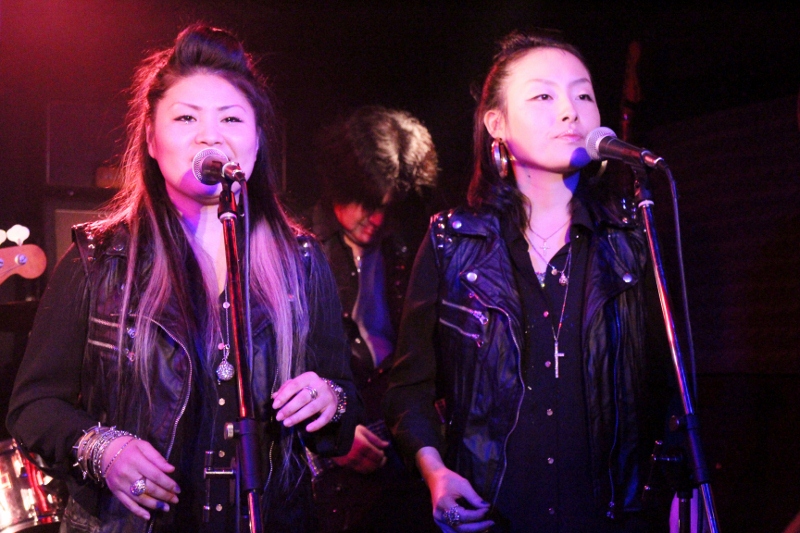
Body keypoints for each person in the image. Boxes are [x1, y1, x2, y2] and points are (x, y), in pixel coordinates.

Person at [6, 24, 358, 533]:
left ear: (257, 141)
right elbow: (33, 407)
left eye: (231, 118)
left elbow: (343, 408)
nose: (209, 135)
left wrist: (330, 400)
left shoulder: (301, 263)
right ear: (151, 138)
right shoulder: (98, 260)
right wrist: (103, 450)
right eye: (186, 117)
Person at [383, 29, 675, 532]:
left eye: (583, 95)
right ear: (496, 124)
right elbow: (409, 388)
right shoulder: (452, 241)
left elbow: (671, 388)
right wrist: (435, 475)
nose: (570, 112)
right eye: (543, 96)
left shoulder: (634, 237)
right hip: (493, 516)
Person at [302, 105, 439, 532]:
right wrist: (328, 438)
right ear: (339, 186)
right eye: (366, 203)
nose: (377, 219)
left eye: (389, 207)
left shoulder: (406, 246)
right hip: (330, 469)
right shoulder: (301, 249)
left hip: (395, 457)